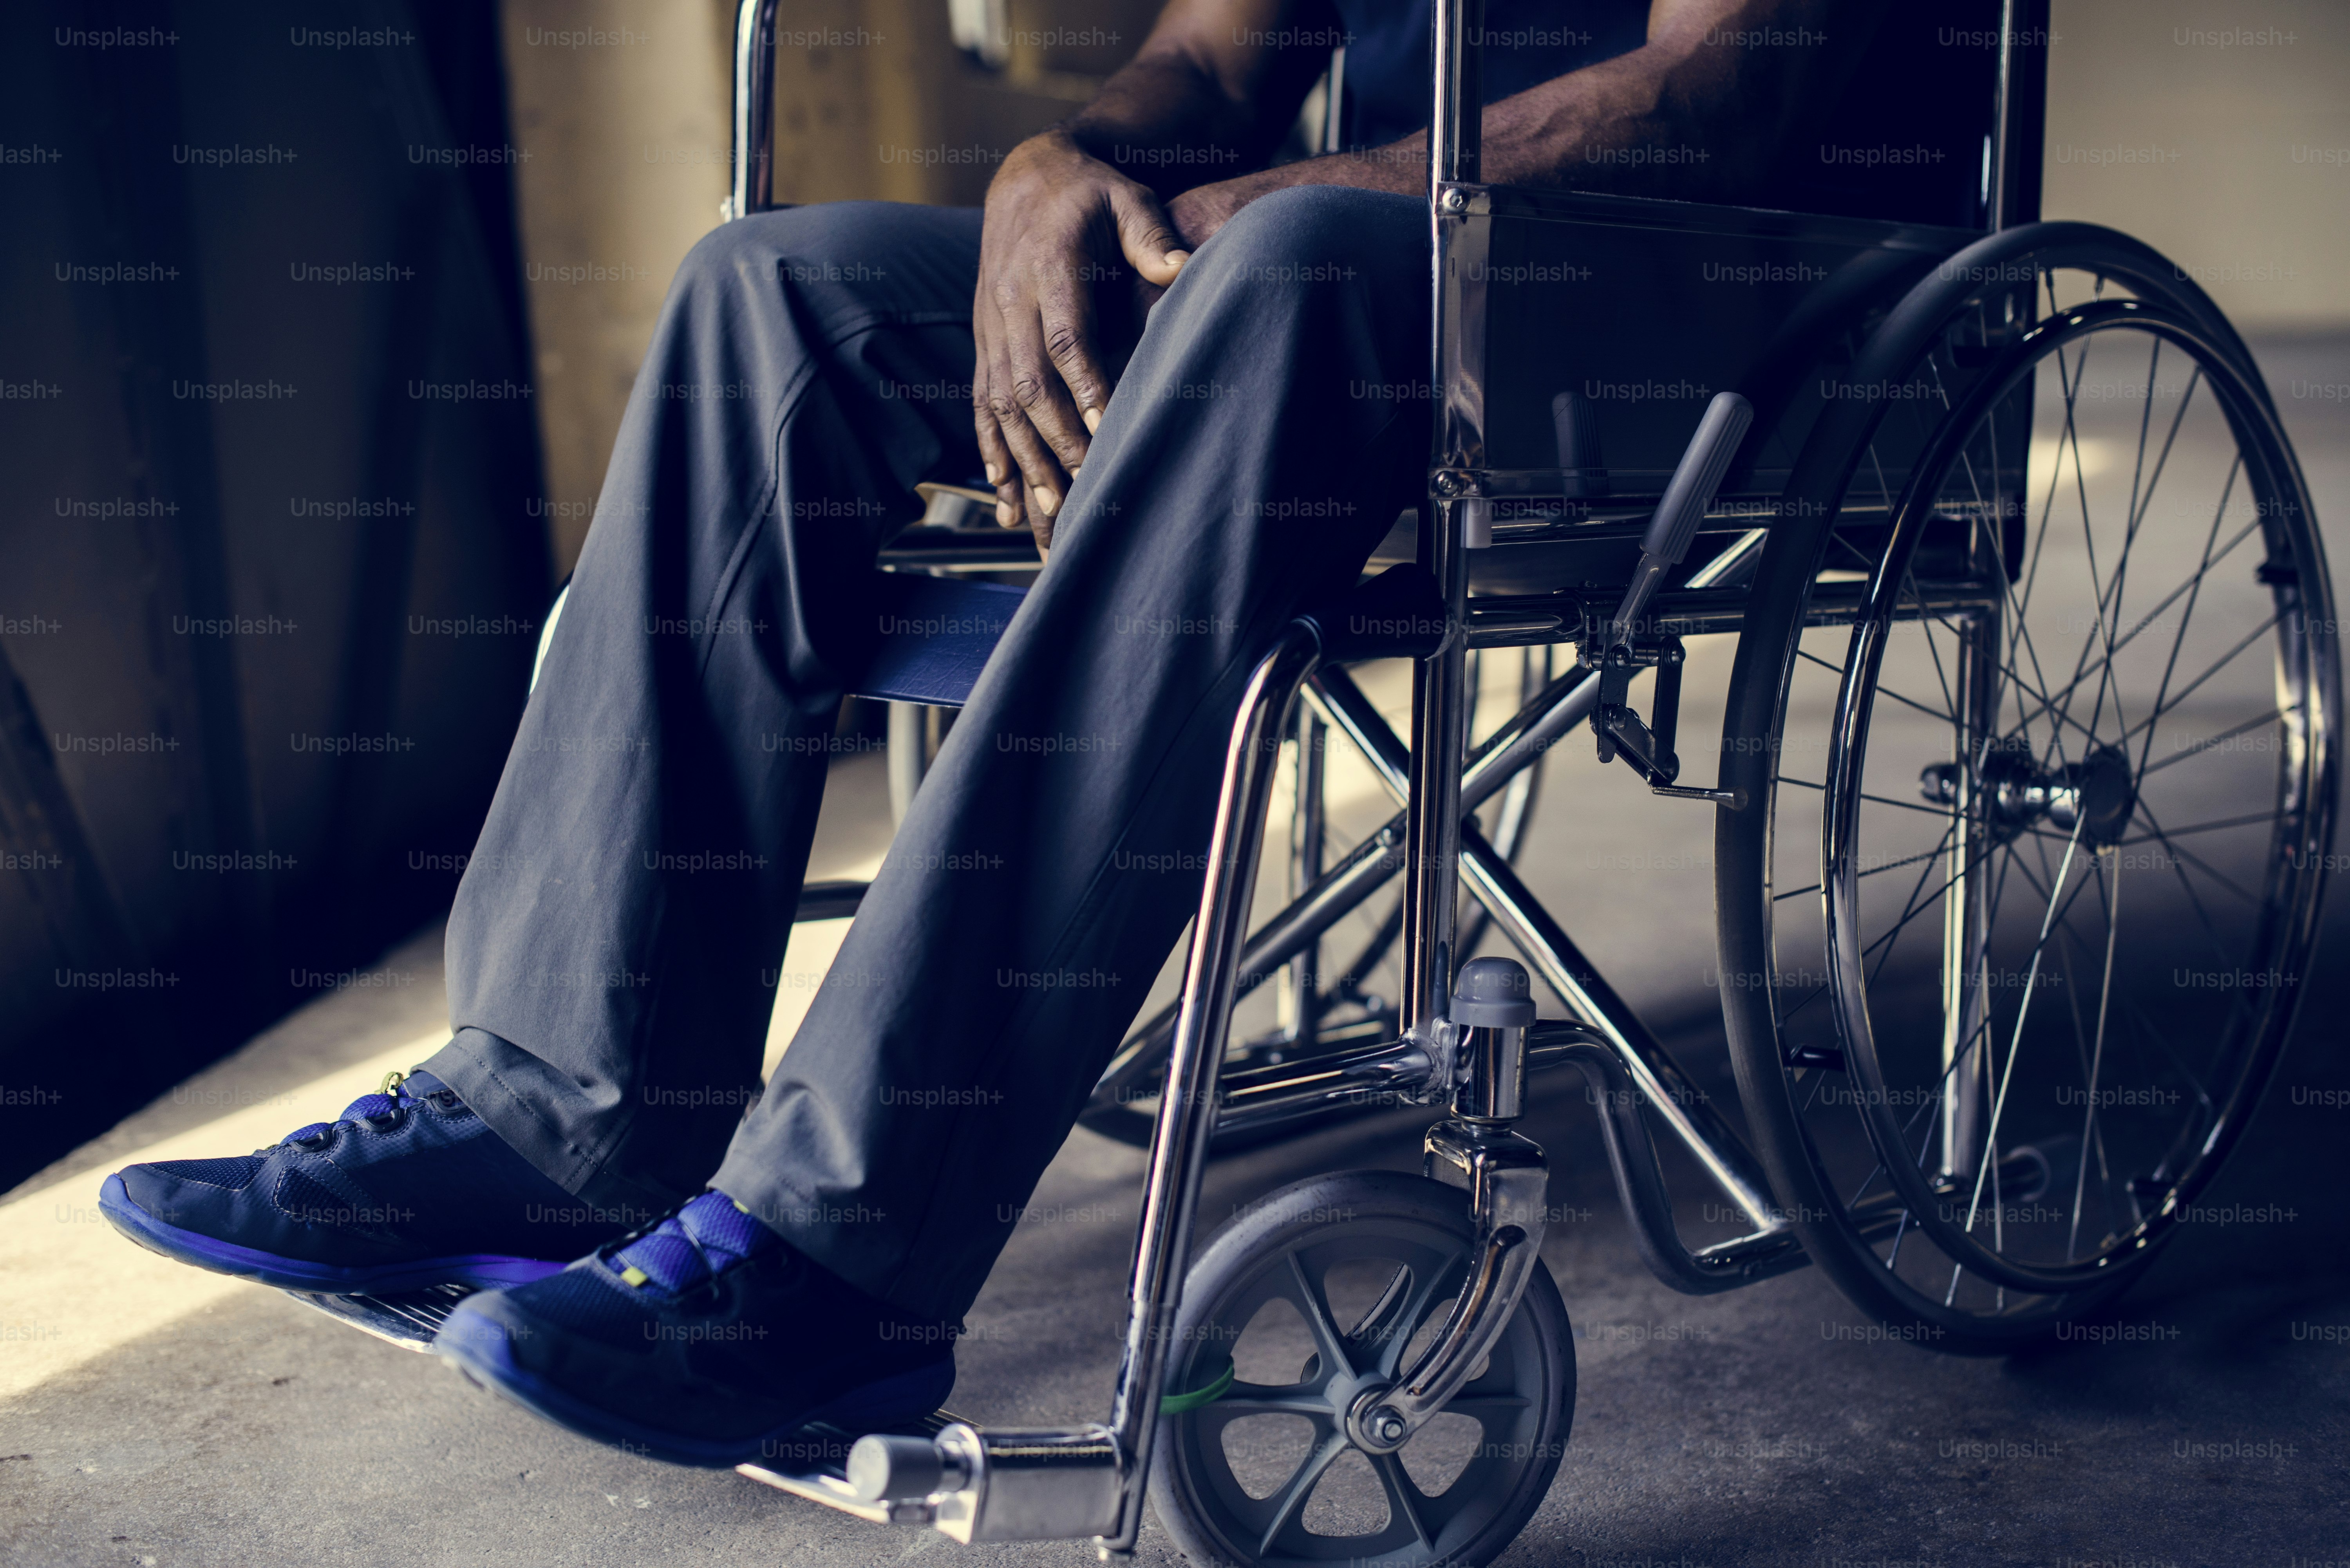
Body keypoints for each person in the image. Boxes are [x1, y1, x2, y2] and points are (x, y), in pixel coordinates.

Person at [101, 0, 1856, 1465]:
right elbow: (1217, 51)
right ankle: (555, 1103)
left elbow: (1723, 92)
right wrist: (1063, 170)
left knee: (1294, 262)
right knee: (771, 297)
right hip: (1337, 250)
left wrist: (1286, 199)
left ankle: (835, 1254)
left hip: (1701, 282)